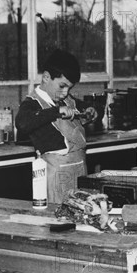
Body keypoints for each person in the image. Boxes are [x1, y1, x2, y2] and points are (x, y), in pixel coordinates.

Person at [15, 50, 97, 205]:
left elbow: (80, 105)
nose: (65, 93)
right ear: (46, 77)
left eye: (69, 88)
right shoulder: (32, 103)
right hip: (55, 174)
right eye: (62, 86)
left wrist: (89, 110)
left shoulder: (66, 99)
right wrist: (55, 112)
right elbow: (22, 123)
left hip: (79, 169)